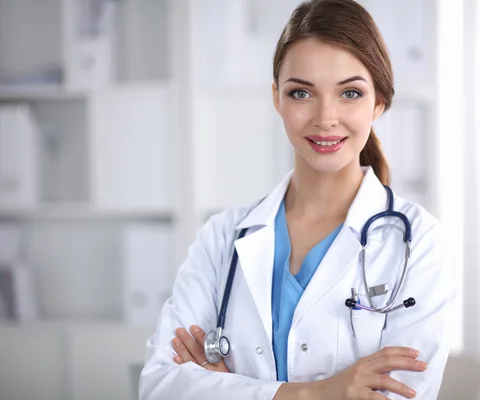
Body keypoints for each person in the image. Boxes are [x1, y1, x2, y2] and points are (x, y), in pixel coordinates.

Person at [139, 0, 456, 399]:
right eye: (302, 92)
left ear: (379, 102)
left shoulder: (419, 243)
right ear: (277, 99)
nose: (325, 117)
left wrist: (225, 386)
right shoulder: (221, 238)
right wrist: (318, 393)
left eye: (350, 93)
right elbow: (160, 386)